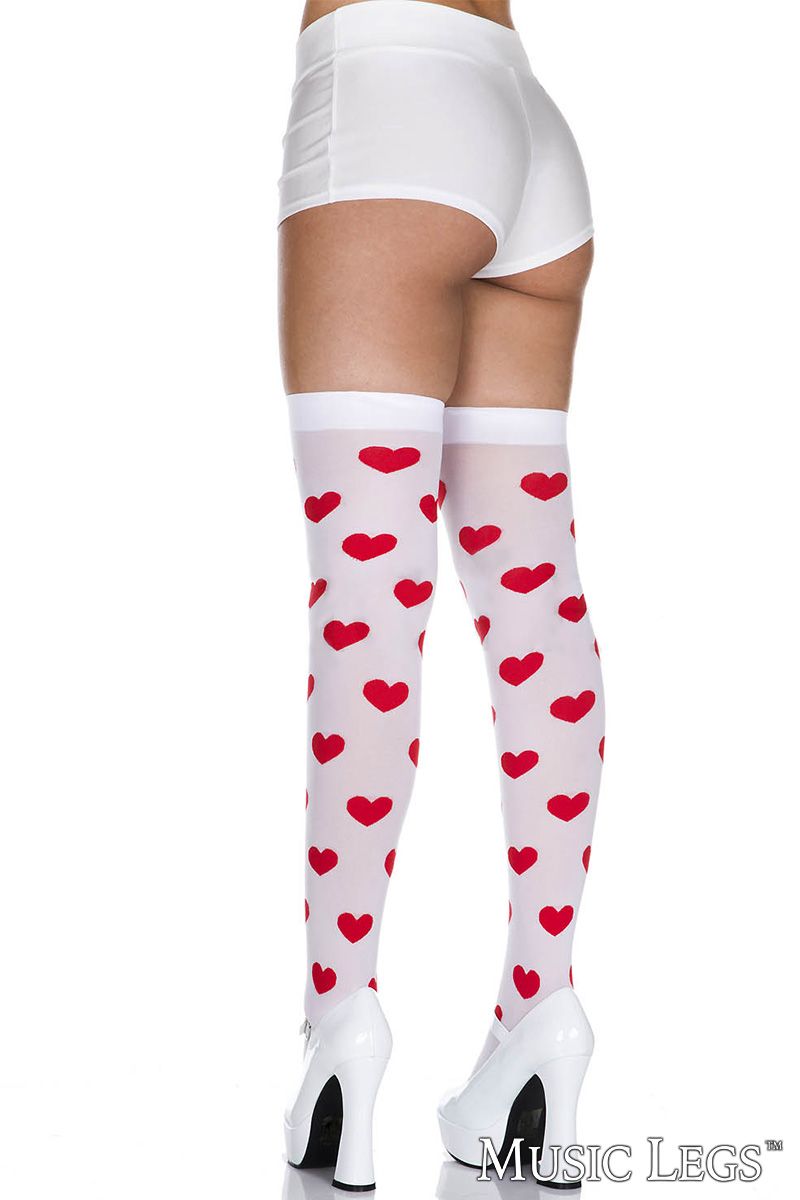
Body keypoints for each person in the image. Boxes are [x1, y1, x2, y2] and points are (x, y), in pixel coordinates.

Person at [279, 0, 604, 1190]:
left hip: (389, 104)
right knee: (536, 600)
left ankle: (338, 1024)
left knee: (366, 594)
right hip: (530, 134)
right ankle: (538, 1013)